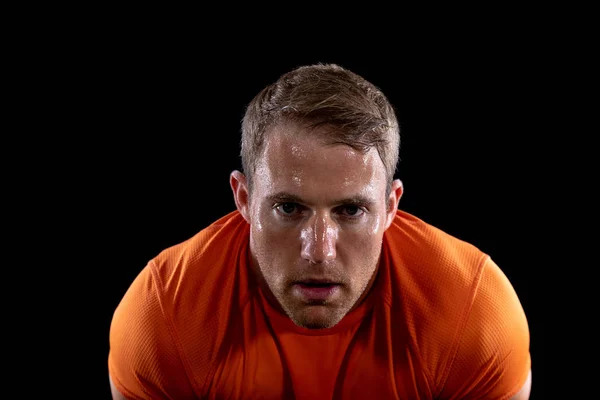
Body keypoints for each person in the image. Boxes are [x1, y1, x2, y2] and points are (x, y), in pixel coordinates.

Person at [108, 63, 532, 399]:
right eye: (289, 207)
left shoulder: (472, 311)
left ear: (390, 207)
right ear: (243, 199)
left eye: (350, 210)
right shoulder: (164, 312)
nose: (320, 251)